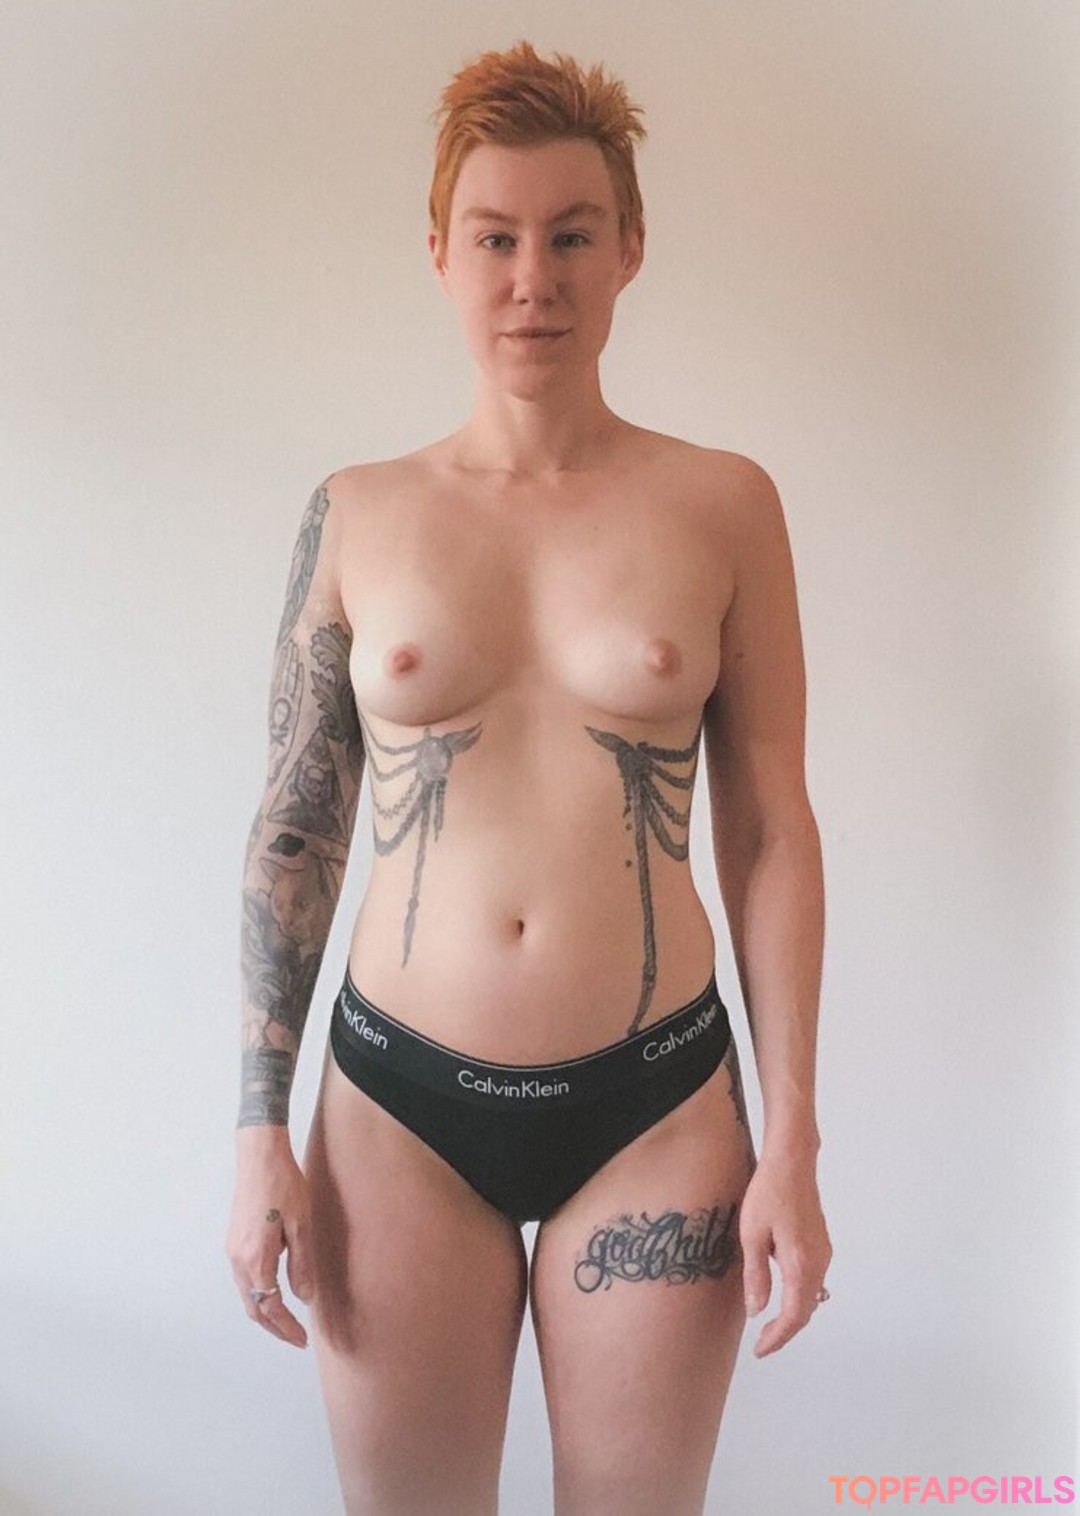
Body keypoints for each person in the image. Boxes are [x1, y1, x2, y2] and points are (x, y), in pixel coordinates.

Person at [226, 38, 831, 1516]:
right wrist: (255, 1129)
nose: (531, 281)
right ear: (440, 252)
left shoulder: (724, 504)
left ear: (630, 246)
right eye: (495, 238)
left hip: (659, 1110)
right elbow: (296, 824)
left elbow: (770, 827)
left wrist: (797, 1140)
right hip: (394, 1110)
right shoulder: (359, 513)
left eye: (571, 236)